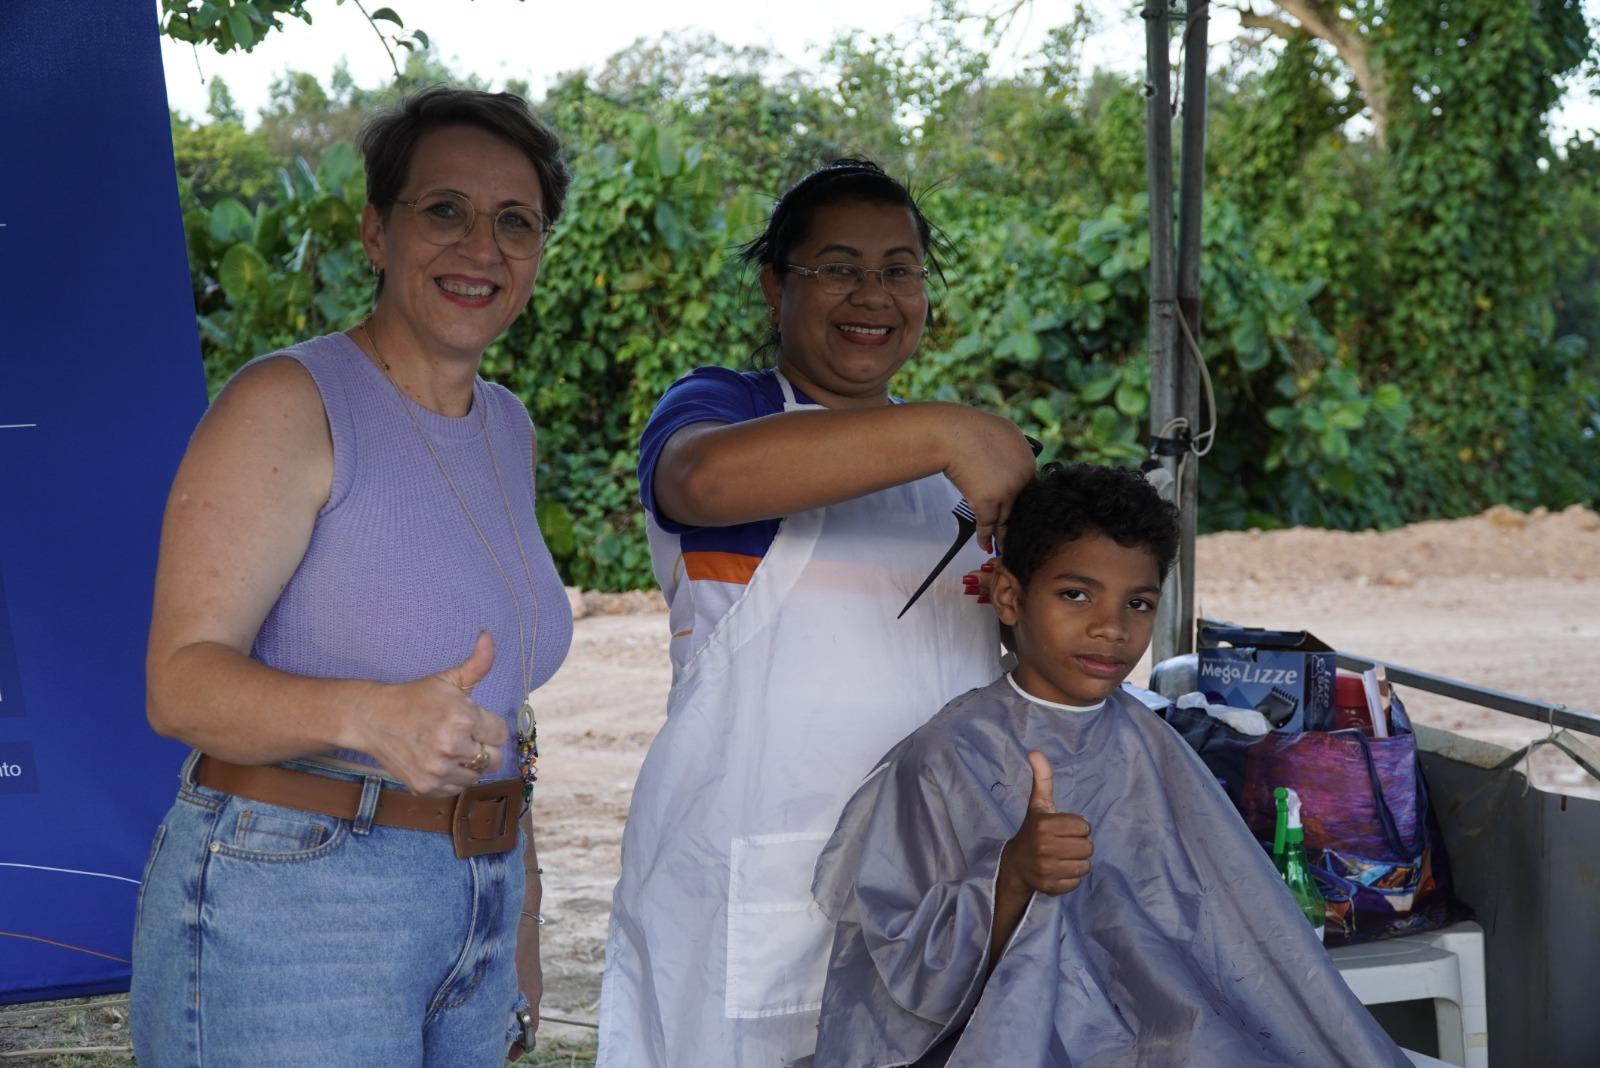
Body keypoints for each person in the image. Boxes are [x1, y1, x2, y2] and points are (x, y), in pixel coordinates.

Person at [130, 87, 572, 1067]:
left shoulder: (507, 426)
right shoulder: (288, 400)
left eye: (516, 222)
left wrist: (517, 917)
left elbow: (502, 706)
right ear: (377, 231)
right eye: (444, 210)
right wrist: (370, 716)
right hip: (299, 892)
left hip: (475, 888)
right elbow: (181, 681)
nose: (482, 247)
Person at [596, 159, 1040, 1067]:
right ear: (775, 286)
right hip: (763, 887)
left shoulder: (958, 476)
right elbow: (704, 480)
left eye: (899, 269)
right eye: (837, 267)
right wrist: (954, 430)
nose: (872, 295)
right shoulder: (726, 409)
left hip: (940, 887)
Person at [805, 462, 1416, 1067]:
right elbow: (914, 974)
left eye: (1139, 603)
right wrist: (1012, 875)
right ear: (1011, 597)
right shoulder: (947, 755)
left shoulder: (1153, 743)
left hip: (1180, 1033)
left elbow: (1246, 937)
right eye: (1076, 594)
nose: (1111, 628)